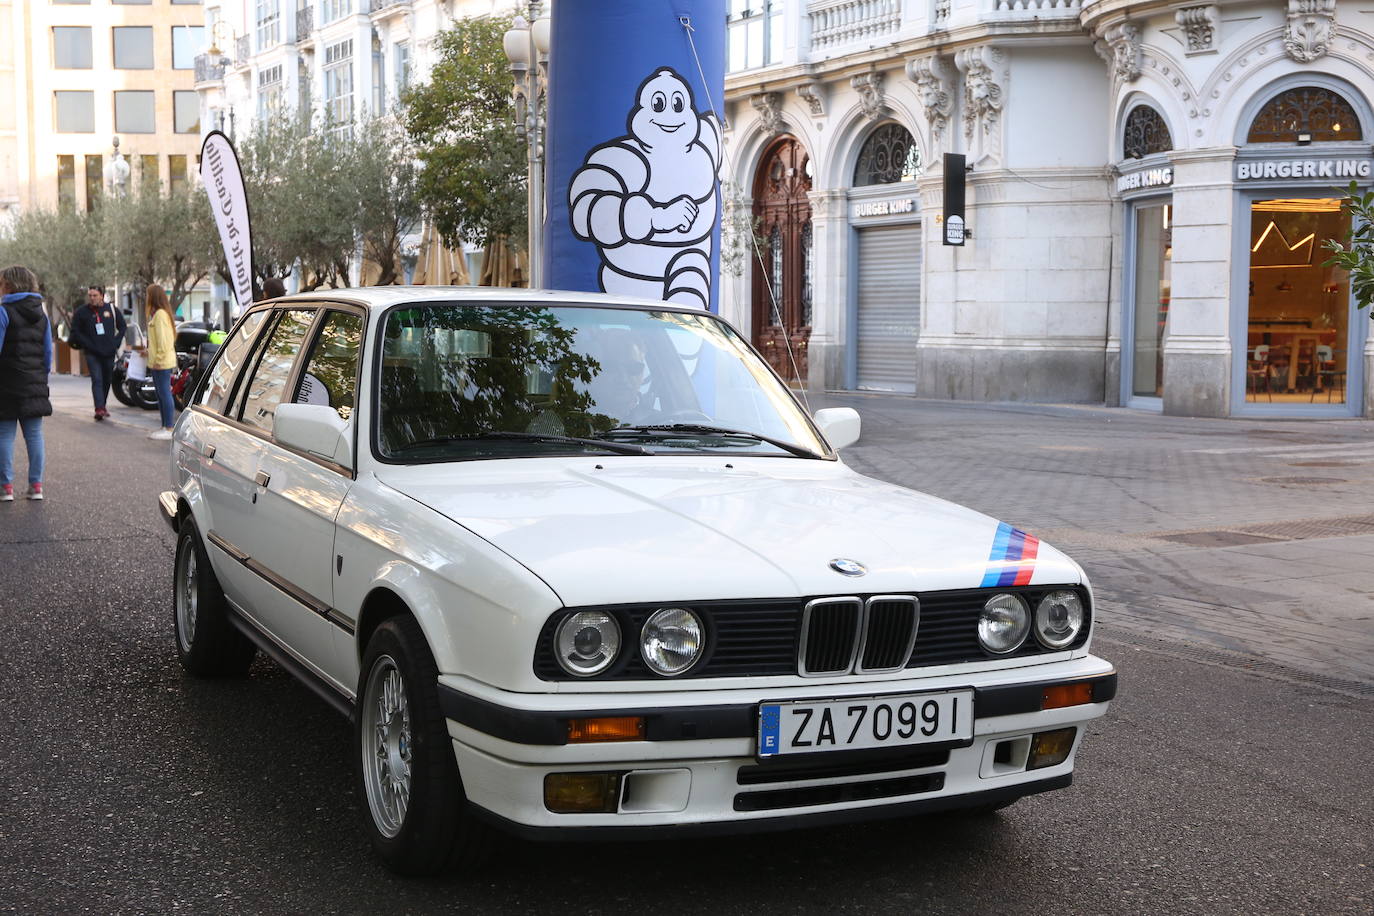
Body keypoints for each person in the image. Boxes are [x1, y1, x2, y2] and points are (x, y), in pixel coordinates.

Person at [0, 265, 52, 501]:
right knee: (34, 435)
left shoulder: (3, 311)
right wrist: (40, 377)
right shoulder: (41, 314)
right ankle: (36, 486)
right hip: (35, 382)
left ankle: (6, 487)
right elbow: (48, 355)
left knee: (4, 435)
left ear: (9, 285)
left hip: (6, 383)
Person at [67, 285, 126, 421]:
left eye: (95, 295)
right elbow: (75, 331)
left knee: (106, 380)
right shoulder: (82, 312)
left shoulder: (111, 310)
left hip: (109, 352)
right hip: (91, 352)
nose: (92, 298)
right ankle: (98, 408)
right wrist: (86, 343)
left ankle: (102, 405)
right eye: (90, 295)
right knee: (97, 379)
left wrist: (115, 342)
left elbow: (122, 326)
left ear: (102, 296)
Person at [139, 284, 178, 440]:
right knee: (161, 394)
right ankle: (164, 426)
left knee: (164, 394)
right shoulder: (158, 314)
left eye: (148, 294)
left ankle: (169, 427)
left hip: (161, 363)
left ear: (153, 296)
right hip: (157, 361)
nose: (146, 298)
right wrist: (148, 352)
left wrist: (158, 360)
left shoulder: (160, 315)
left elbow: (164, 341)